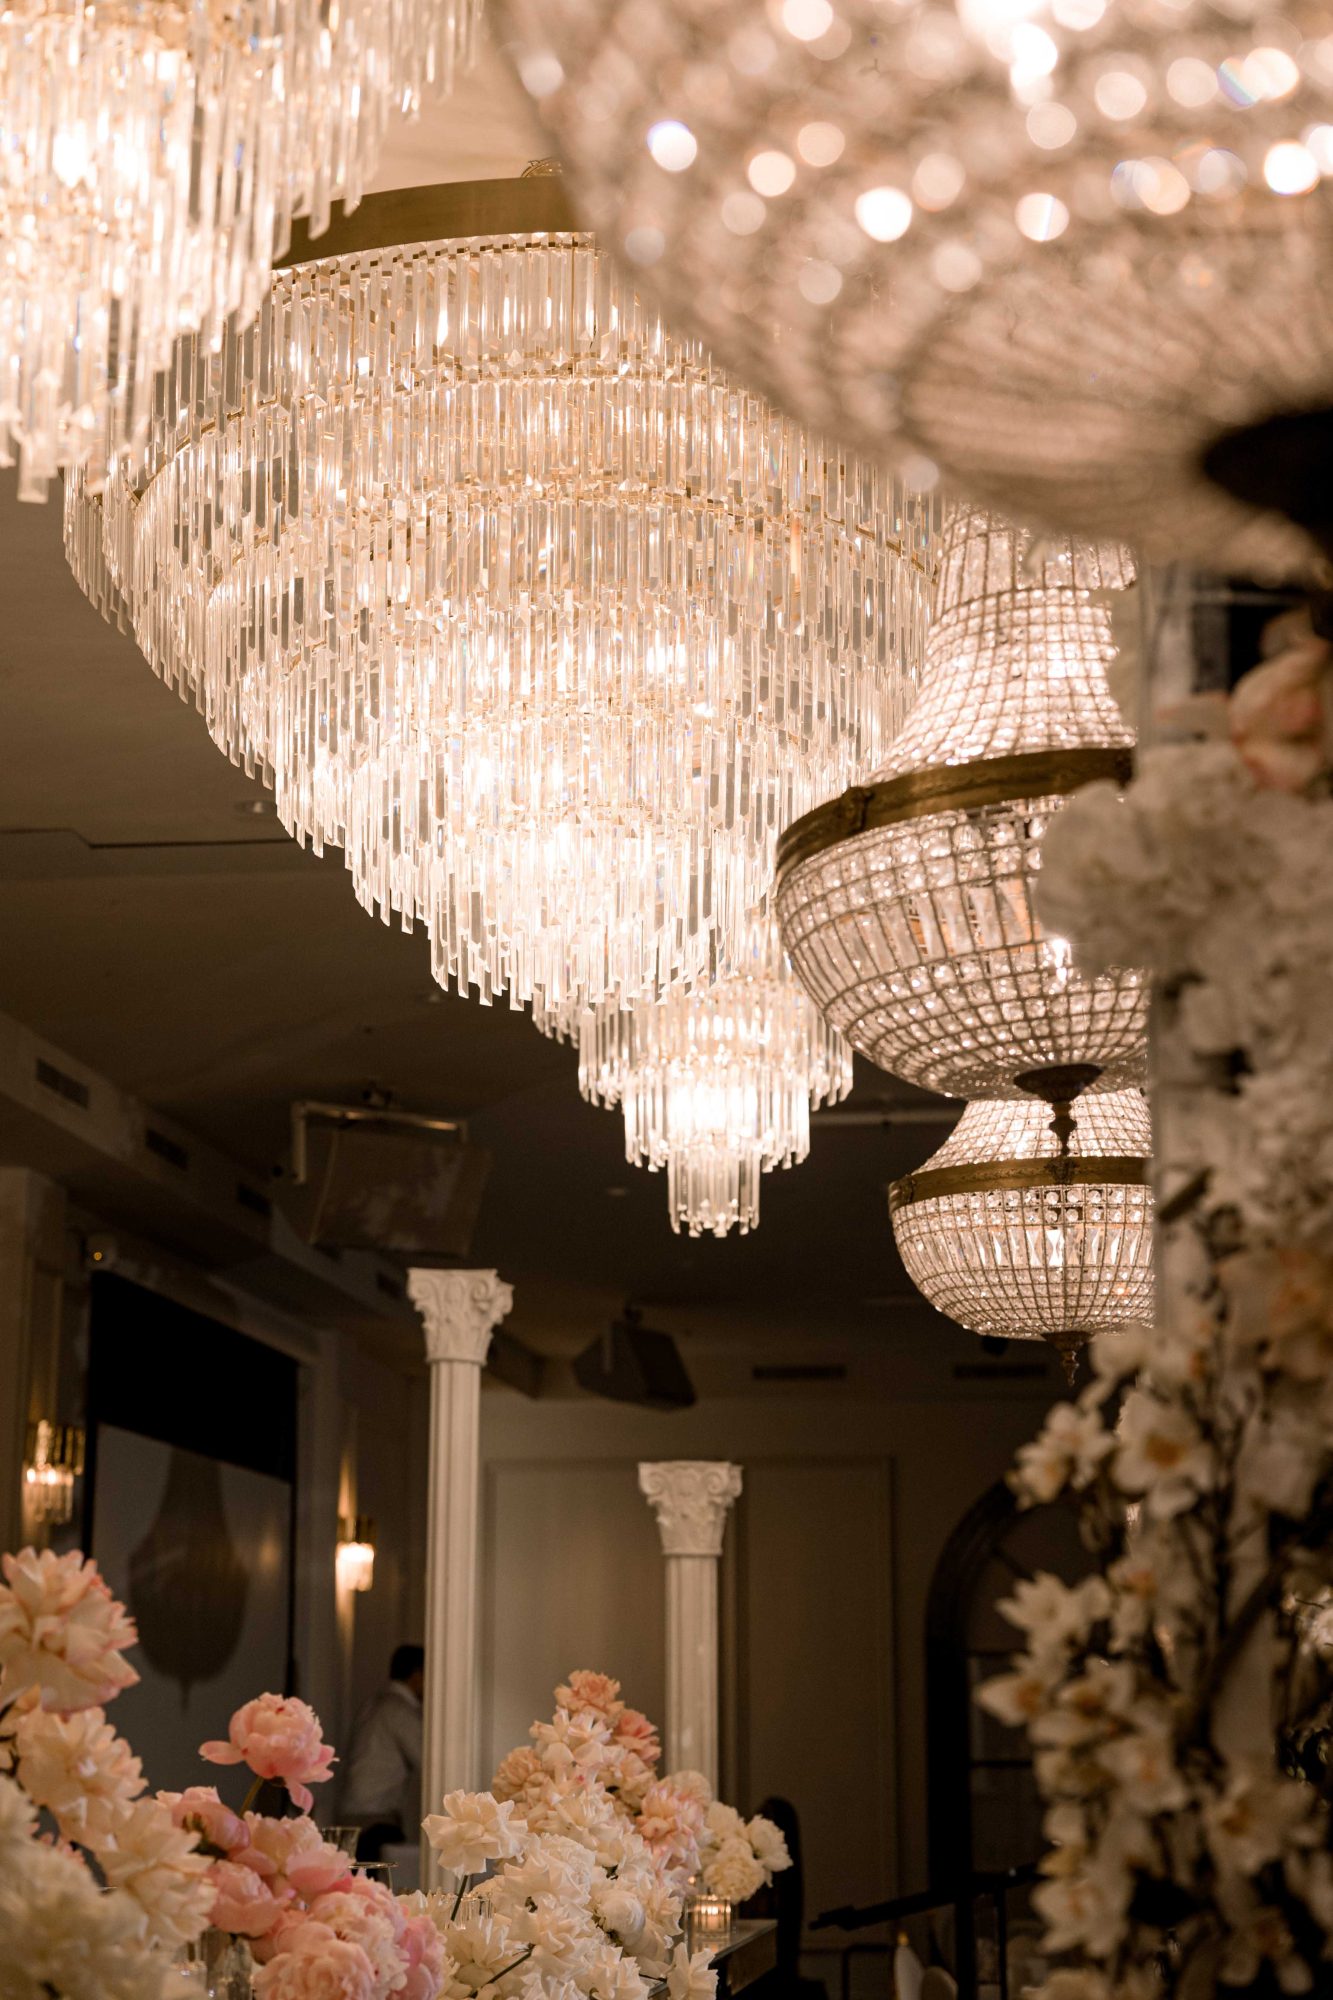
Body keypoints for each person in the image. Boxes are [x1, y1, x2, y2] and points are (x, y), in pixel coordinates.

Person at [340, 1643, 425, 1858]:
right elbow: (429, 1761)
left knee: (354, 1875)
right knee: (379, 1875)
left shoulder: (374, 1704)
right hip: (375, 1819)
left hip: (352, 1815)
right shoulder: (399, 1710)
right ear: (417, 1675)